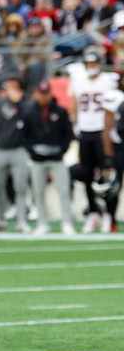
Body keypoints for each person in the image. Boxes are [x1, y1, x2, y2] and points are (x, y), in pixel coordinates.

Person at [68, 47, 120, 233]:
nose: (92, 66)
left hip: (103, 134)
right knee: (87, 174)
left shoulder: (108, 81)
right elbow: (73, 104)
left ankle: (108, 214)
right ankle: (93, 213)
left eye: (95, 62)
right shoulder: (78, 80)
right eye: (89, 62)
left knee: (107, 175)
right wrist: (75, 123)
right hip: (85, 132)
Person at [22, 81, 75, 235]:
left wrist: (61, 151)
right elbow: (24, 136)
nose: (44, 97)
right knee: (38, 192)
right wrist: (33, 152)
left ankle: (66, 222)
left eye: (46, 93)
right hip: (38, 159)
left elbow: (68, 134)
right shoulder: (29, 112)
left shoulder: (60, 111)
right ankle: (43, 223)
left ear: (50, 93)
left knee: (63, 190)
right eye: (41, 93)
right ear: (36, 94)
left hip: (57, 158)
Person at [0, 77, 31, 233]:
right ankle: (0, 218)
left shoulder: (26, 103)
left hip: (19, 149)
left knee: (20, 186)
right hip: (0, 148)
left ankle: (21, 220)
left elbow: (30, 119)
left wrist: (19, 103)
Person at [100, 75, 124, 233]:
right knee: (115, 185)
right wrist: (107, 151)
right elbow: (108, 124)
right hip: (120, 146)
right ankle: (111, 219)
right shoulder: (116, 97)